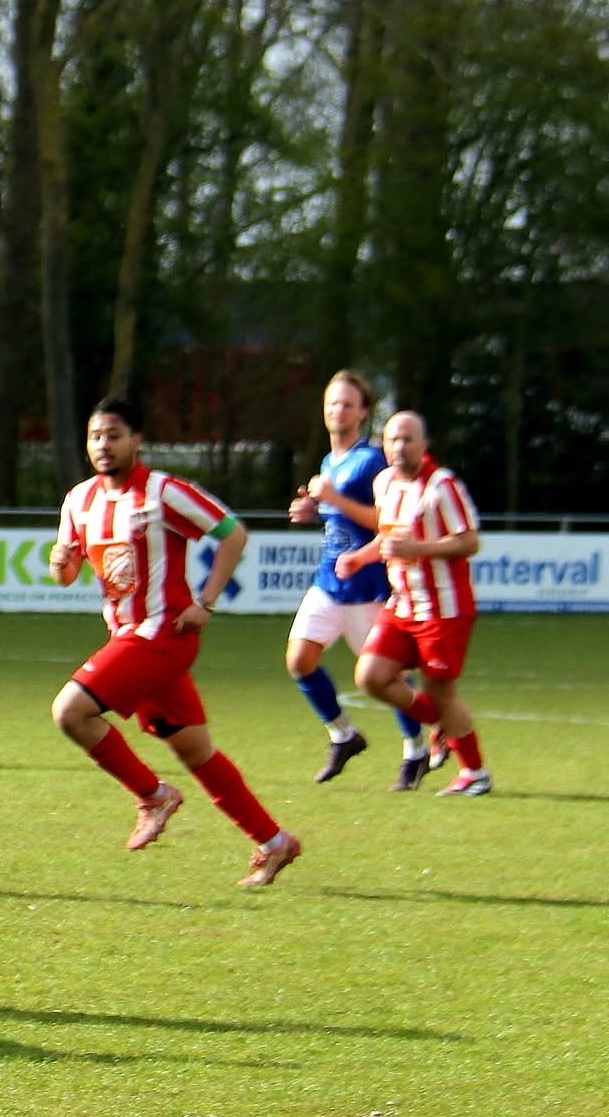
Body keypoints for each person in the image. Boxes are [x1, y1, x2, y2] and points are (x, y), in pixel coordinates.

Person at [48, 397, 302, 888]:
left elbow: (232, 534)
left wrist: (205, 602)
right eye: (96, 436)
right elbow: (67, 574)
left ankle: (154, 796)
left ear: (137, 441)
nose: (104, 445)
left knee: (70, 712)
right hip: (128, 637)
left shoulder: (163, 492)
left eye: (115, 435)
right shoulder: (79, 500)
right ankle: (274, 842)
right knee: (196, 751)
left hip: (164, 634)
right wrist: (61, 560)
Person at [336, 411, 491, 797]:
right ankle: (443, 724)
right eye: (392, 440)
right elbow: (389, 538)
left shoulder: (442, 486)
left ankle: (475, 773)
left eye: (407, 440)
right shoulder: (384, 482)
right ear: (384, 445)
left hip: (444, 608)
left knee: (441, 690)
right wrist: (361, 557)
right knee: (370, 677)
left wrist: (419, 548)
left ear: (424, 445)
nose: (399, 447)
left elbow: (470, 540)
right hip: (403, 605)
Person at [285, 371, 426, 788]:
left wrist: (331, 499)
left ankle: (416, 748)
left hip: (368, 587)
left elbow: (386, 522)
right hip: (329, 582)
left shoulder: (371, 461)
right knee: (299, 660)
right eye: (332, 403)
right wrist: (316, 513)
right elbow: (342, 517)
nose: (337, 411)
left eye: (347, 404)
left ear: (363, 413)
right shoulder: (331, 461)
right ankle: (343, 735)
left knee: (388, 678)